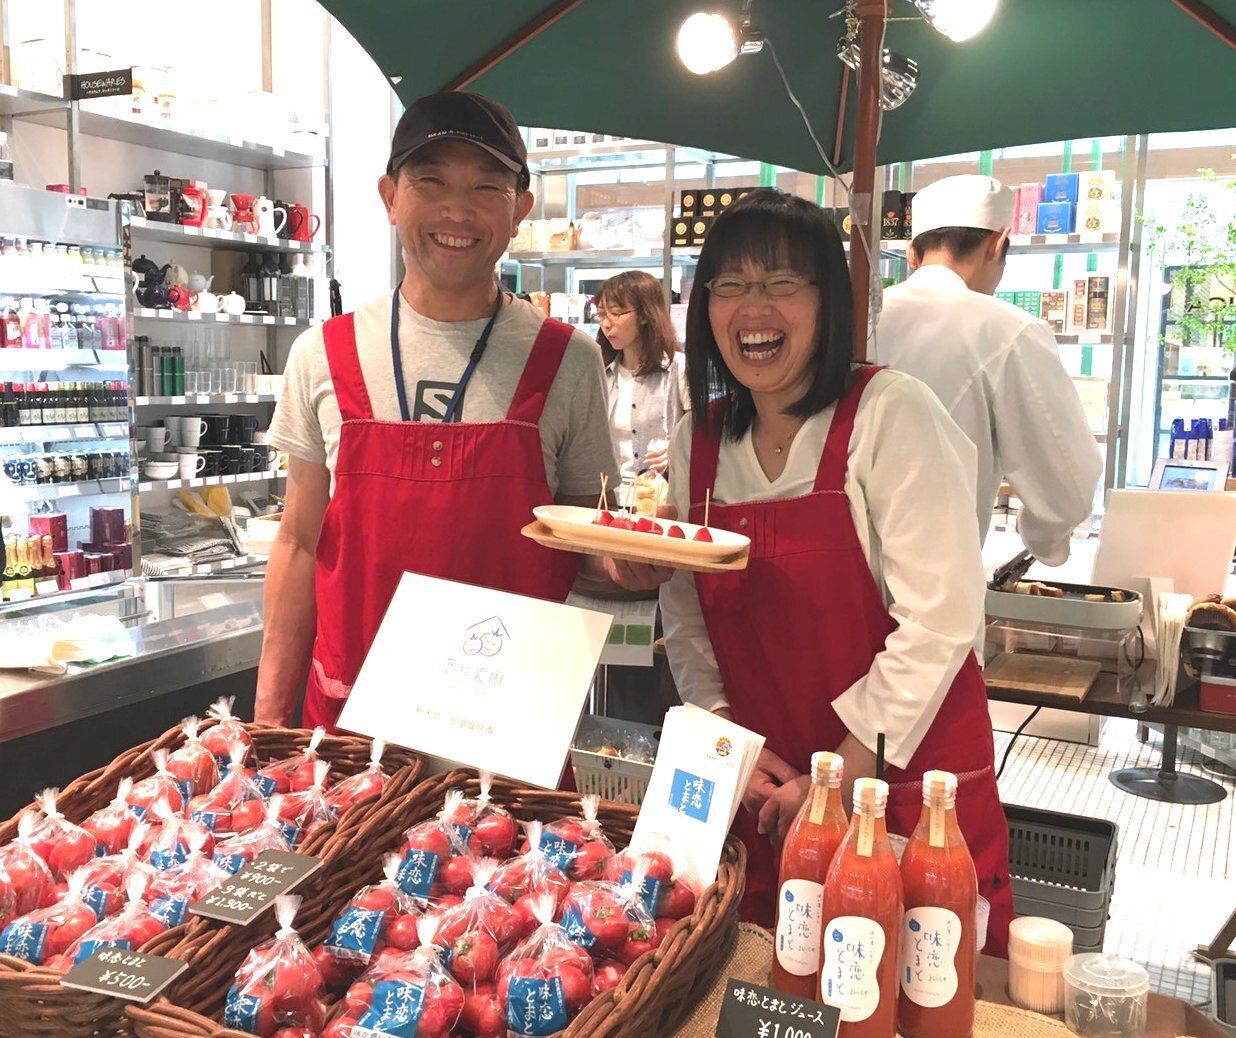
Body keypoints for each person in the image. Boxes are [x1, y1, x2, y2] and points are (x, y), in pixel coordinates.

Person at [656, 189, 1015, 954]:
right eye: (732, 284)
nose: (756, 306)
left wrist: (837, 776)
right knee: (774, 983)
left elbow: (941, 618)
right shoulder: (700, 440)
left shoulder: (891, 413)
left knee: (912, 1000)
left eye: (784, 282)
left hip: (906, 787)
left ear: (831, 299)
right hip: (770, 790)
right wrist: (732, 748)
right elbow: (685, 612)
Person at [255, 91, 619, 731]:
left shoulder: (568, 361)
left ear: (520, 211)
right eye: (431, 181)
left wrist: (631, 564)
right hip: (348, 728)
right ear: (389, 195)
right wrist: (265, 721)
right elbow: (298, 540)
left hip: (507, 739)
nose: (458, 209)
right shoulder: (322, 354)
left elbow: (591, 544)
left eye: (487, 187)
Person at [876, 174, 1103, 566]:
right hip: (934, 582)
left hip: (832, 572)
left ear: (911, 254)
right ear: (998, 244)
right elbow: (1067, 484)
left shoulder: (858, 318)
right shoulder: (1009, 330)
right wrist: (1042, 540)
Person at [594, 271, 690, 489]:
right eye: (600, 315)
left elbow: (704, 437)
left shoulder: (678, 369)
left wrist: (677, 450)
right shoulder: (601, 373)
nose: (606, 324)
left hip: (660, 499)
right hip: (609, 498)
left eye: (616, 313)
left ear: (645, 315)